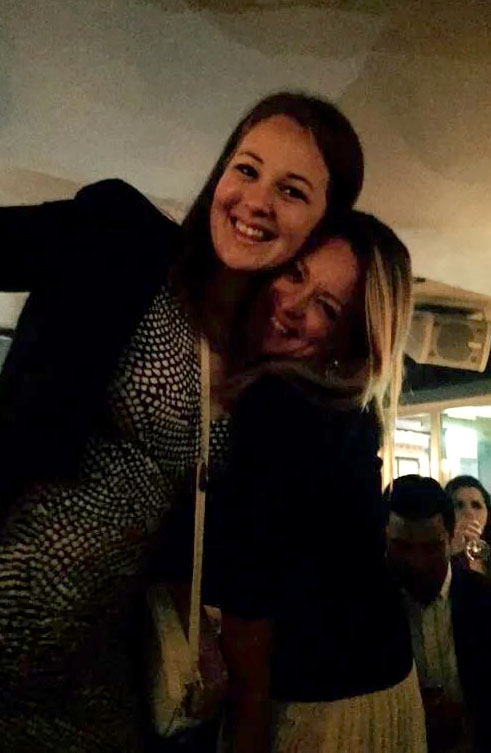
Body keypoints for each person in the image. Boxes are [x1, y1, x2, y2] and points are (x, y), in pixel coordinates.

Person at [0, 92, 364, 751]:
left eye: (291, 190)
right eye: (246, 169)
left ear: (320, 227)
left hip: (91, 692)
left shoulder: (267, 384)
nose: (257, 200)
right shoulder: (123, 238)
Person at [207, 211, 425, 753]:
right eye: (296, 273)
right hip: (384, 688)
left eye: (326, 307)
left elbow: (251, 595)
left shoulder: (277, 404)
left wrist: (247, 730)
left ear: (349, 342)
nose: (292, 304)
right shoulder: (349, 413)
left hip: (318, 705)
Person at [385, 474, 491, 753]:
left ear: (451, 537)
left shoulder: (482, 599)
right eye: (402, 547)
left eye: (431, 547)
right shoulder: (373, 607)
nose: (417, 563)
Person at [446, 475, 491, 577]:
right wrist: (452, 555)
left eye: (476, 505)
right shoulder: (438, 553)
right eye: (459, 505)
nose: (468, 512)